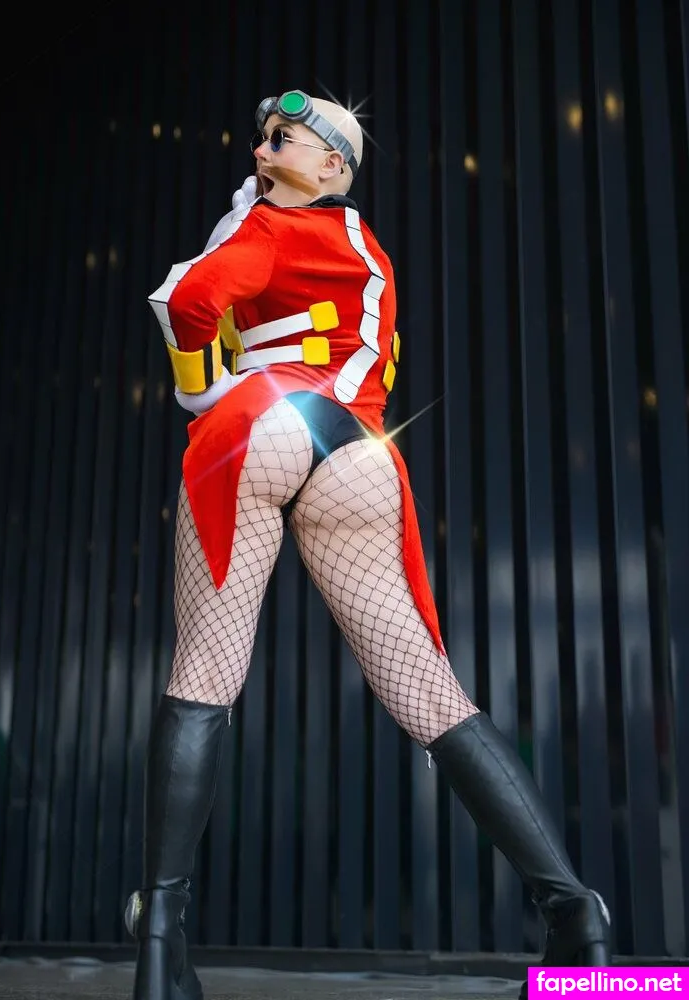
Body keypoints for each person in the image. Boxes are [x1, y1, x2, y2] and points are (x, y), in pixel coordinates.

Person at [124, 90, 611, 1000]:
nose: (264, 146)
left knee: (205, 672)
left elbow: (191, 301)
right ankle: (575, 921)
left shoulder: (270, 226)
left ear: (333, 166)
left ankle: (160, 945)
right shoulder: (367, 247)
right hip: (357, 451)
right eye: (264, 136)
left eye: (285, 136)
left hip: (261, 421)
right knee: (429, 691)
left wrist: (203, 385)